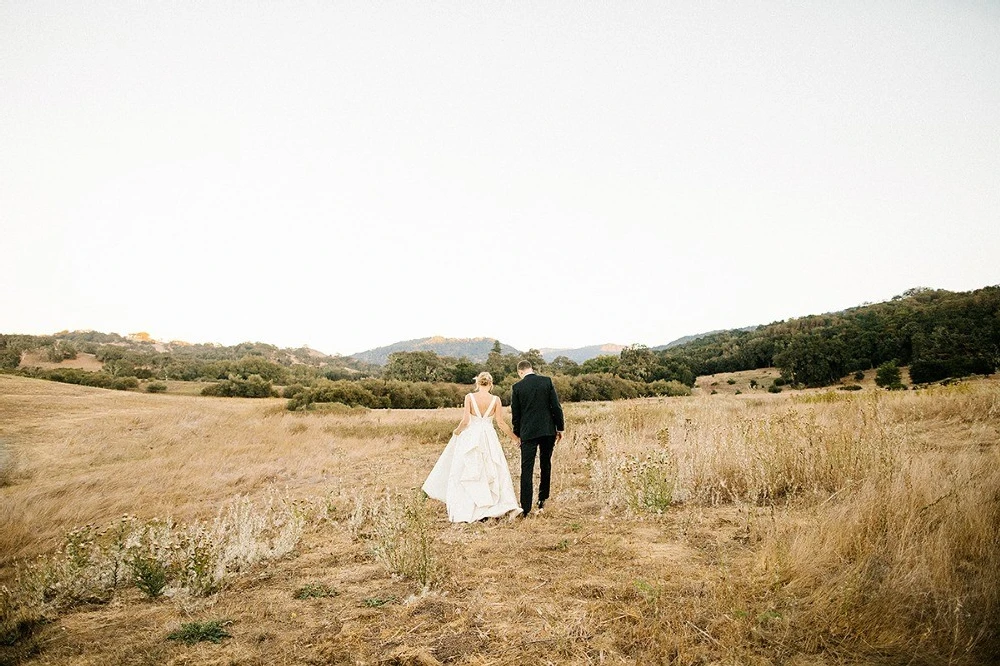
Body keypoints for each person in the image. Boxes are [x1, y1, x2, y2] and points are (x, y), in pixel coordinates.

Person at [422, 372, 522, 522]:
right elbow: (500, 423)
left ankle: (473, 505)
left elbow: (466, 421)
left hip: (471, 436)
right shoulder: (496, 400)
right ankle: (494, 504)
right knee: (492, 468)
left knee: (471, 470)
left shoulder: (470, 397)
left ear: (477, 383)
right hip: (488, 436)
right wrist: (515, 438)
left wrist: (457, 432)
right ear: (490, 384)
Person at [510, 360, 565, 516]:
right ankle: (542, 499)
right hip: (548, 430)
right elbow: (556, 406)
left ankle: (525, 507)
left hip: (527, 433)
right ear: (531, 369)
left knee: (526, 469)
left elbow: (516, 415)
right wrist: (559, 427)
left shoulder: (517, 387)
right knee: (545, 464)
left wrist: (517, 434)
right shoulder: (546, 381)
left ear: (520, 372)